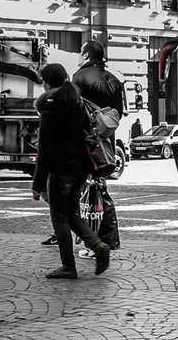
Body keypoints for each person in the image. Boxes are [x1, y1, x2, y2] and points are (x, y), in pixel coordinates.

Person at [31, 63, 110, 279]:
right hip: (81, 168)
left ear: (46, 82)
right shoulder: (77, 102)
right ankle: (98, 245)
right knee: (72, 213)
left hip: (61, 169)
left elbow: (46, 148)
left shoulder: (49, 107)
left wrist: (37, 185)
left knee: (59, 218)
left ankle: (68, 266)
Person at [72, 39, 123, 254]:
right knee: (100, 186)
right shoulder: (114, 80)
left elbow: (74, 109)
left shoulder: (79, 77)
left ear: (86, 55)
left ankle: (91, 241)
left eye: (79, 52)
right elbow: (118, 113)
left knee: (83, 188)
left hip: (85, 139)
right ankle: (108, 238)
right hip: (106, 141)